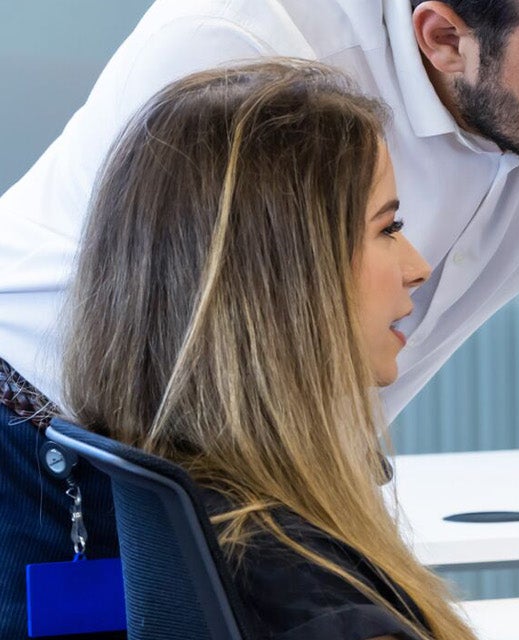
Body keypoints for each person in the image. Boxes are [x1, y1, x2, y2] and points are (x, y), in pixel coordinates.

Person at [0, 0, 519, 637]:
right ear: (444, 38)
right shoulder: (239, 44)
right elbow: (183, 360)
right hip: (57, 445)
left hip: (281, 460)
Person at [62, 59, 462, 640]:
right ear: (280, 278)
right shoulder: (316, 598)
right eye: (386, 229)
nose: (418, 268)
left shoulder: (190, 511)